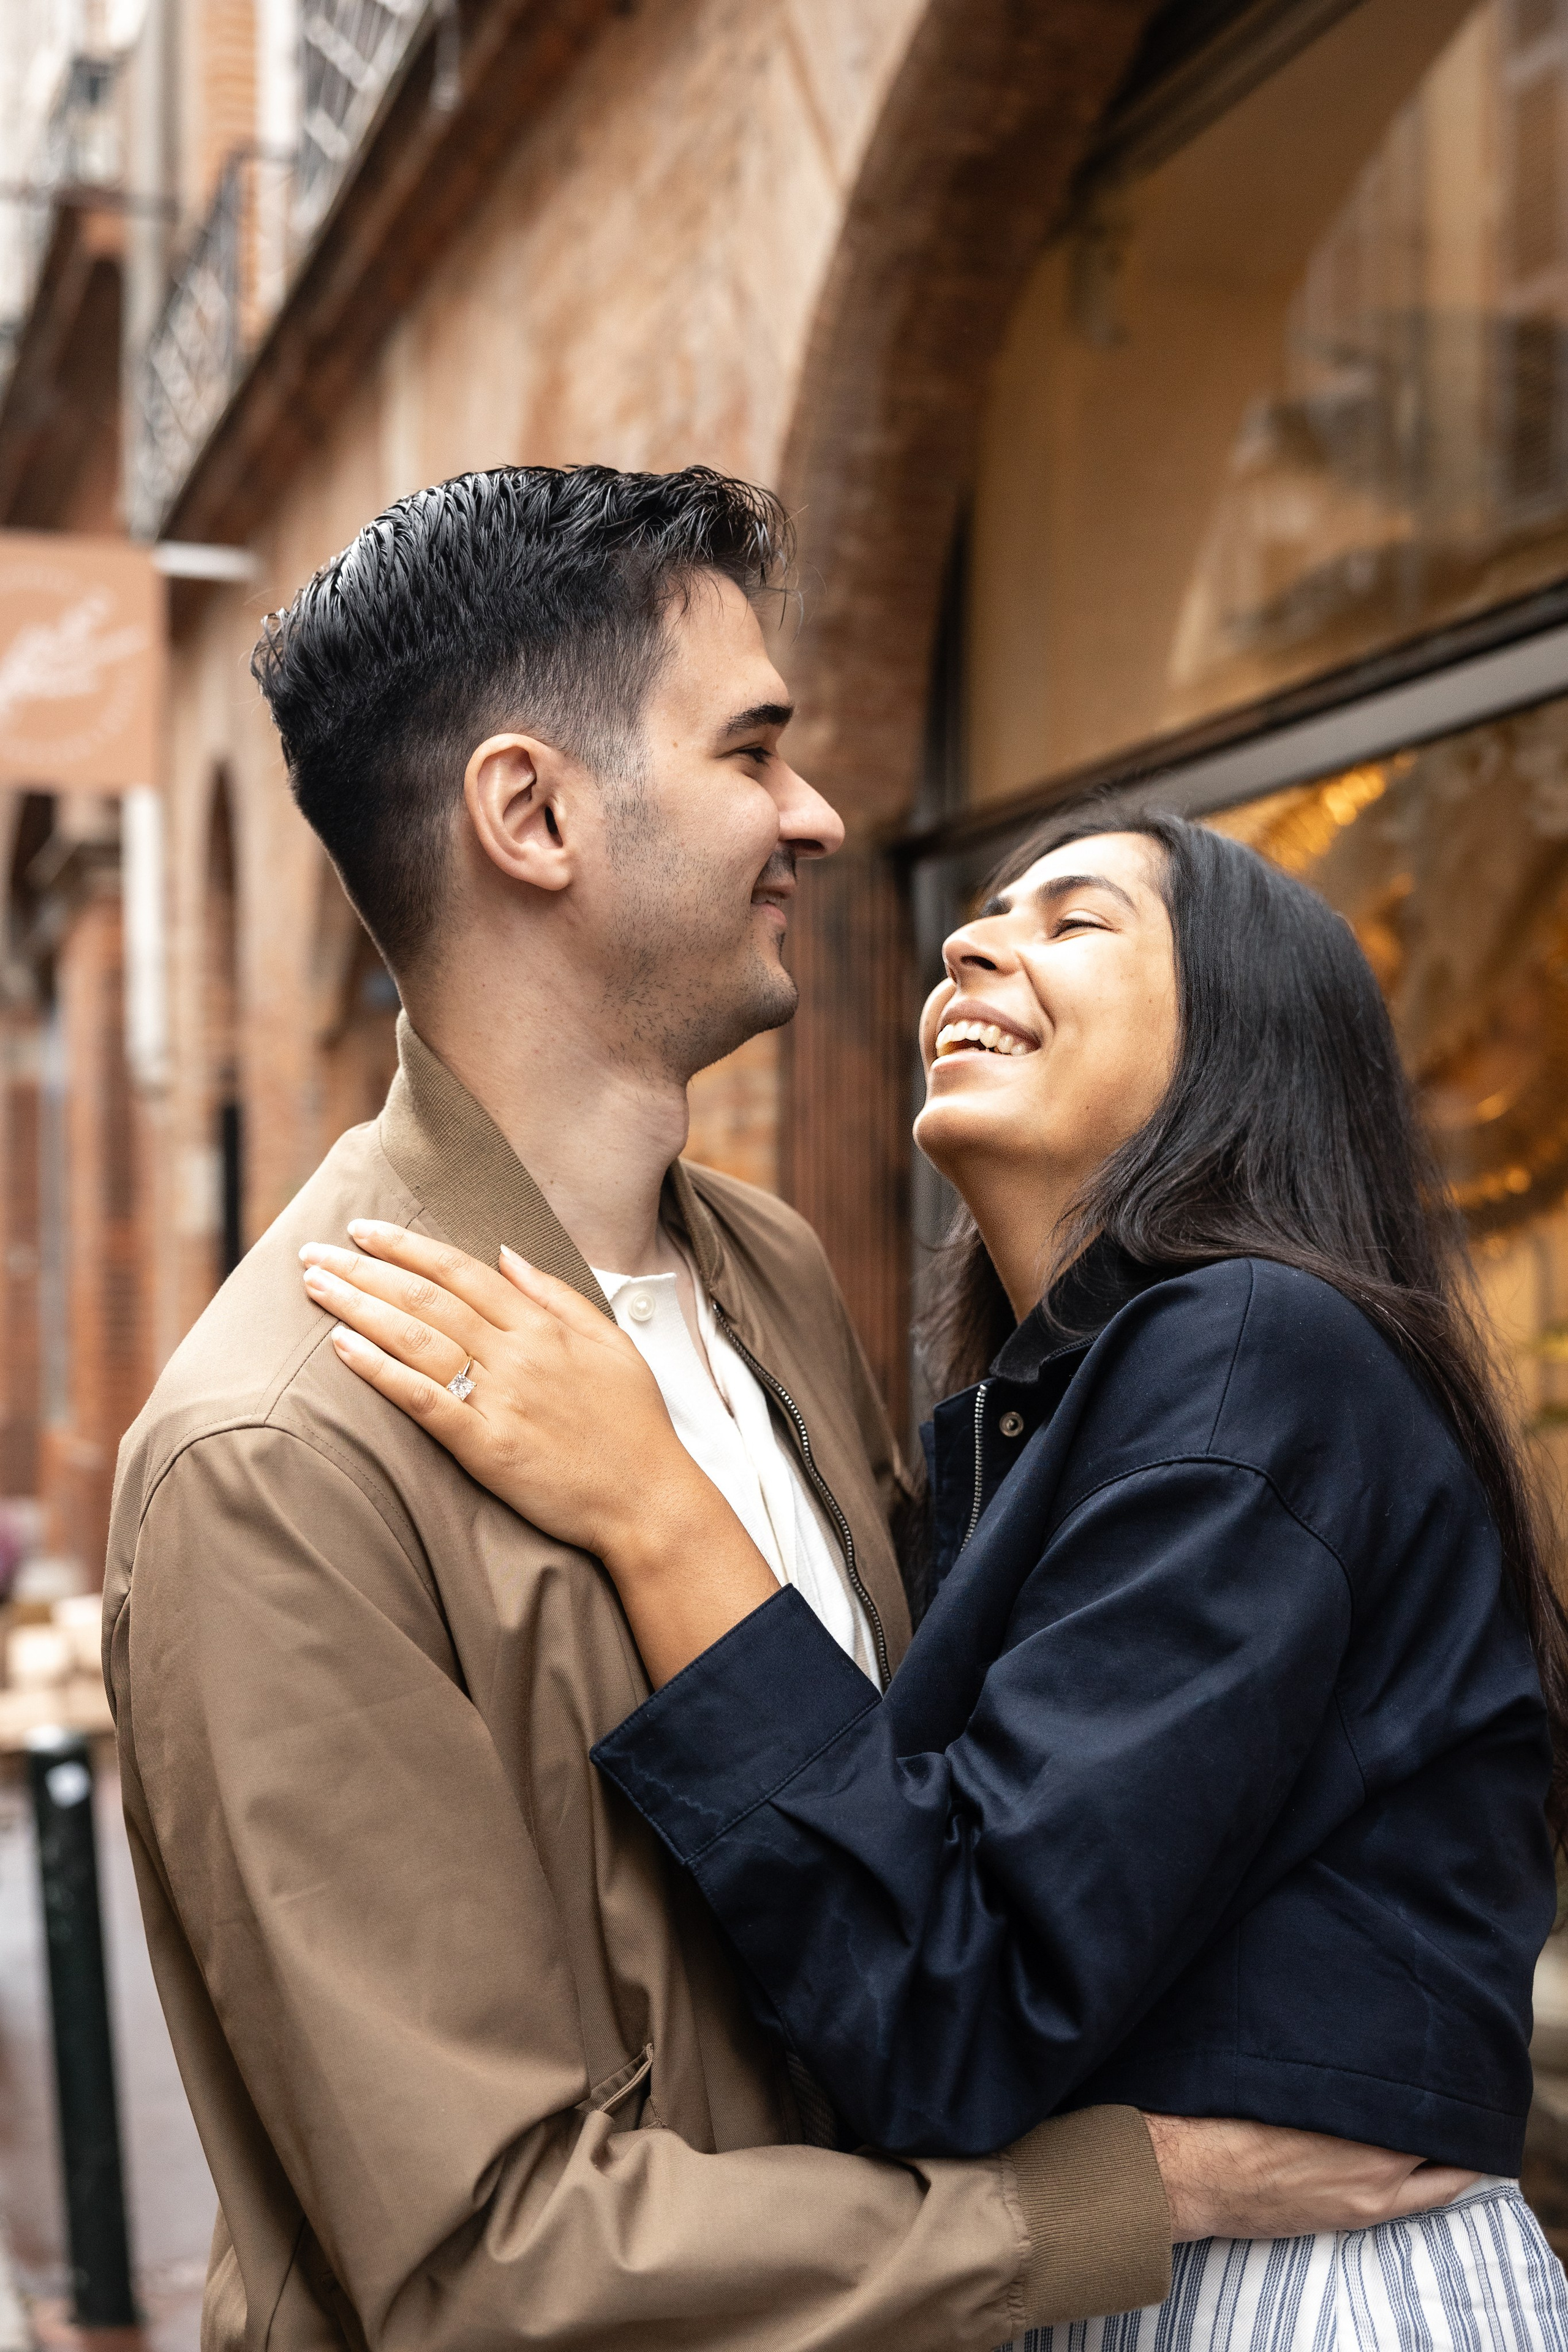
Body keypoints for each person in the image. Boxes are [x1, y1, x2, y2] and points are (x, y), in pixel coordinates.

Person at [307, 805, 1568, 2351]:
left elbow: (952, 2009)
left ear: (1241, 1042)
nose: (970, 941)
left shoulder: (1253, 1355)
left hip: (1295, 2295)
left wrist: (651, 1501)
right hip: (1134, 2273)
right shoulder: (1073, 1417)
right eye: (982, 911)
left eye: (1075, 921)